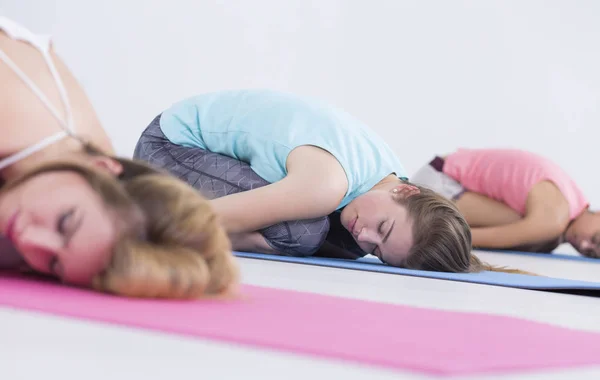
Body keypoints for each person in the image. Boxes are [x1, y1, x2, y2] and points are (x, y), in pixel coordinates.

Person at [133, 89, 503, 273]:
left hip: (198, 151)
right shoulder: (325, 185)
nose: (366, 237)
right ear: (406, 190)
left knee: (338, 244)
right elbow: (206, 218)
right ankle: (140, 209)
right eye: (384, 229)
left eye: (378, 250)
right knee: (304, 234)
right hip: (167, 146)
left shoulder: (386, 172)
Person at [0, 15, 239, 298]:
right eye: (65, 221)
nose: (29, 241)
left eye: (54, 265)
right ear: (101, 168)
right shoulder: (17, 117)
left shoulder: (93, 195)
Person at [411, 148, 599, 258]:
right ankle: (431, 229)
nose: (584, 246)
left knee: (540, 237)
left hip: (440, 182)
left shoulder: (570, 198)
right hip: (437, 183)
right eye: (595, 239)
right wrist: (440, 240)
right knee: (538, 234)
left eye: (591, 253)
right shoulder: (557, 215)